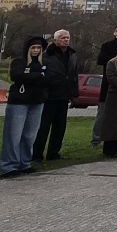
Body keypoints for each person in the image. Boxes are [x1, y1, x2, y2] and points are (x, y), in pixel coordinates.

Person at [0, 36, 48, 176]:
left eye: (38, 48)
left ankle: (24, 162)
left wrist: (33, 76)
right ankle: (9, 166)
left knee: (29, 135)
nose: (36, 50)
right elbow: (17, 76)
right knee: (13, 135)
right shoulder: (19, 62)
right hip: (19, 102)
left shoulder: (44, 63)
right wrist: (37, 76)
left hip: (37, 102)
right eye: (33, 48)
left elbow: (49, 78)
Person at [37, 29, 79, 163]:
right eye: (62, 38)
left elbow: (74, 75)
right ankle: (36, 153)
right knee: (43, 126)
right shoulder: (47, 55)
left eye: (67, 37)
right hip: (49, 96)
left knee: (60, 127)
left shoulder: (72, 55)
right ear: (55, 40)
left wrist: (74, 94)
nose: (66, 40)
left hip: (64, 95)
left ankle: (53, 152)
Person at [92, 24, 117, 146]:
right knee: (103, 113)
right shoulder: (107, 46)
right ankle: (96, 139)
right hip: (108, 84)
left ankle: (116, 139)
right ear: (115, 32)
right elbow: (101, 60)